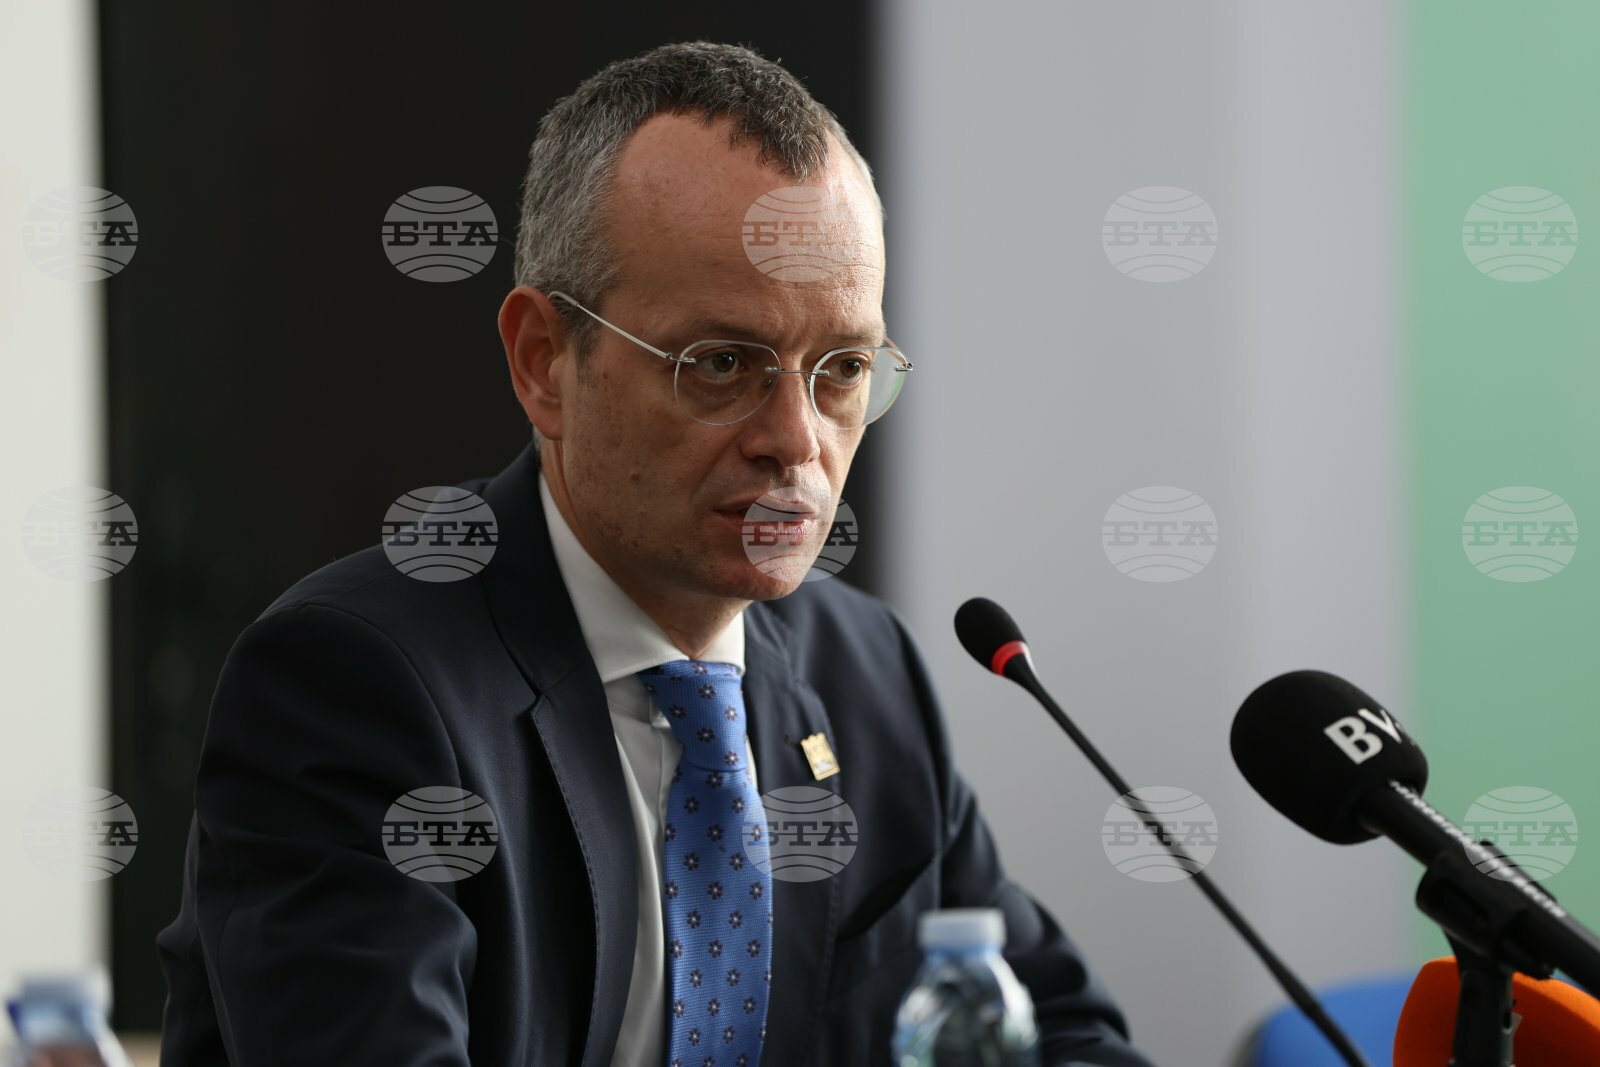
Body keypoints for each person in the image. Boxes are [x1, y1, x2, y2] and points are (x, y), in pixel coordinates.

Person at [155, 40, 1159, 1067]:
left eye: (843, 368)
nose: (796, 439)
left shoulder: (870, 676)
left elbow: (1066, 1034)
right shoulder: (355, 683)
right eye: (721, 363)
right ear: (544, 362)